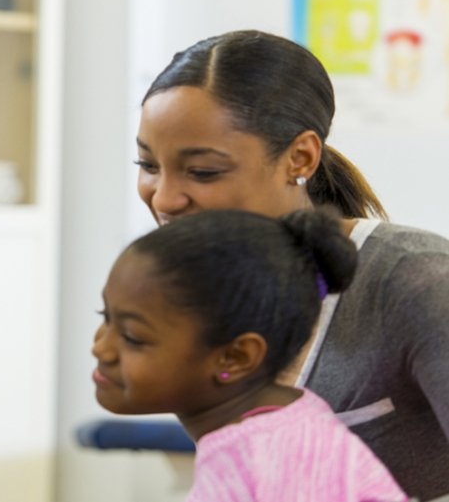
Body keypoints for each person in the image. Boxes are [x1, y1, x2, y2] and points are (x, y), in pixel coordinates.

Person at [133, 29, 449, 500]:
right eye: (149, 165)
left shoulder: (416, 279)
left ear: (299, 158)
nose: (164, 198)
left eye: (202, 172)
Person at [92, 208, 409, 501]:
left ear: (236, 357)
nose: (101, 347)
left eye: (133, 337)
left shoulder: (272, 458)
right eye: (106, 316)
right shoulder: (286, 421)